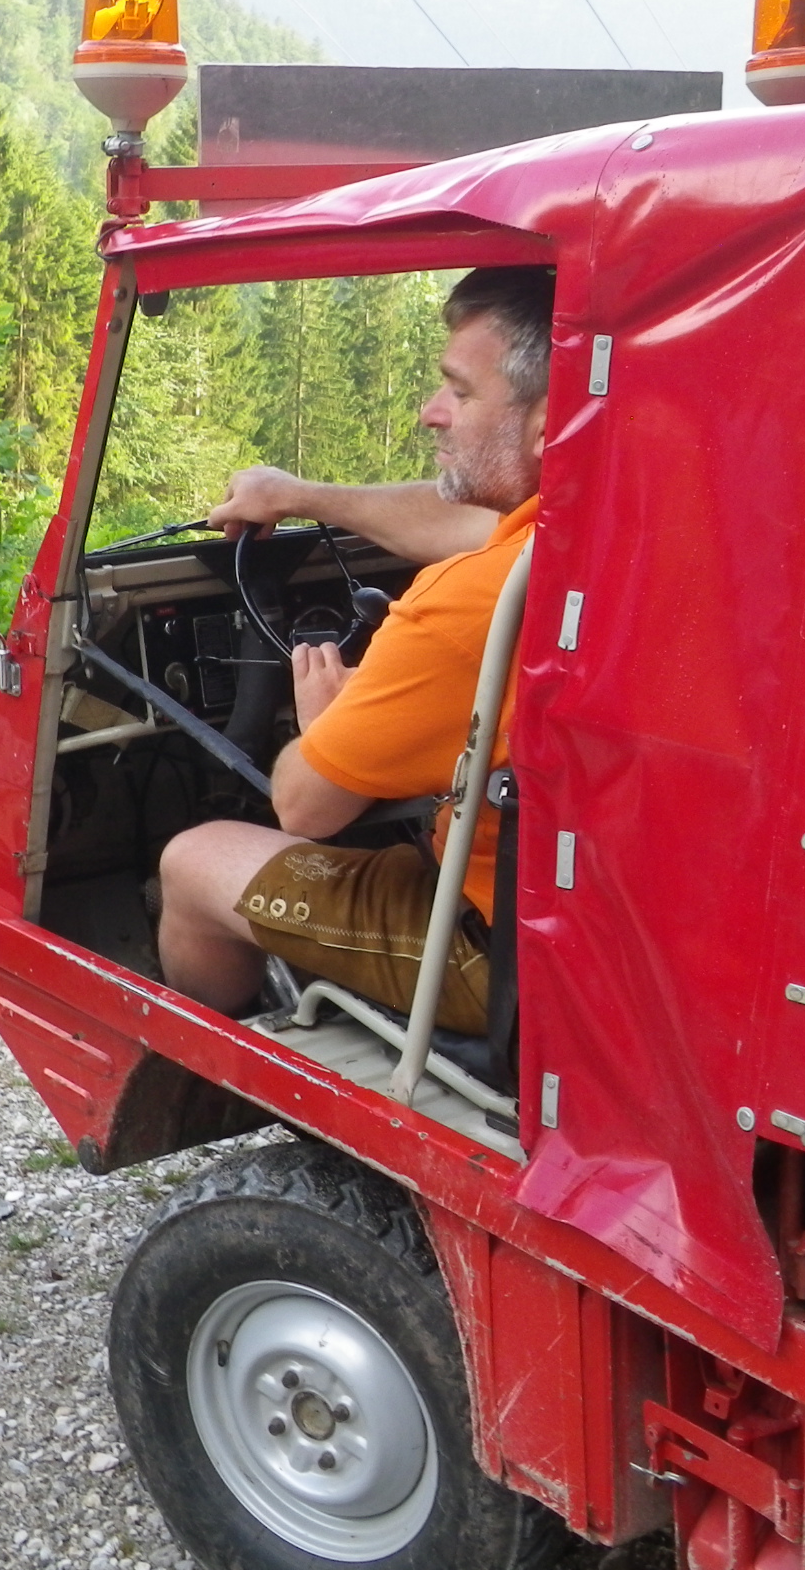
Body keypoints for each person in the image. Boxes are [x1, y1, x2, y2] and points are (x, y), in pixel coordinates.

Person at [156, 266, 551, 1035]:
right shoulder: (627, 525)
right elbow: (466, 522)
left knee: (193, 859)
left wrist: (325, 720)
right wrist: (298, 495)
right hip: (611, 923)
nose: (431, 412)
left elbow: (306, 809)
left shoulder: (466, 603)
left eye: (460, 391)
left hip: (505, 953)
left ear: (546, 425)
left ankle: (219, 1064)